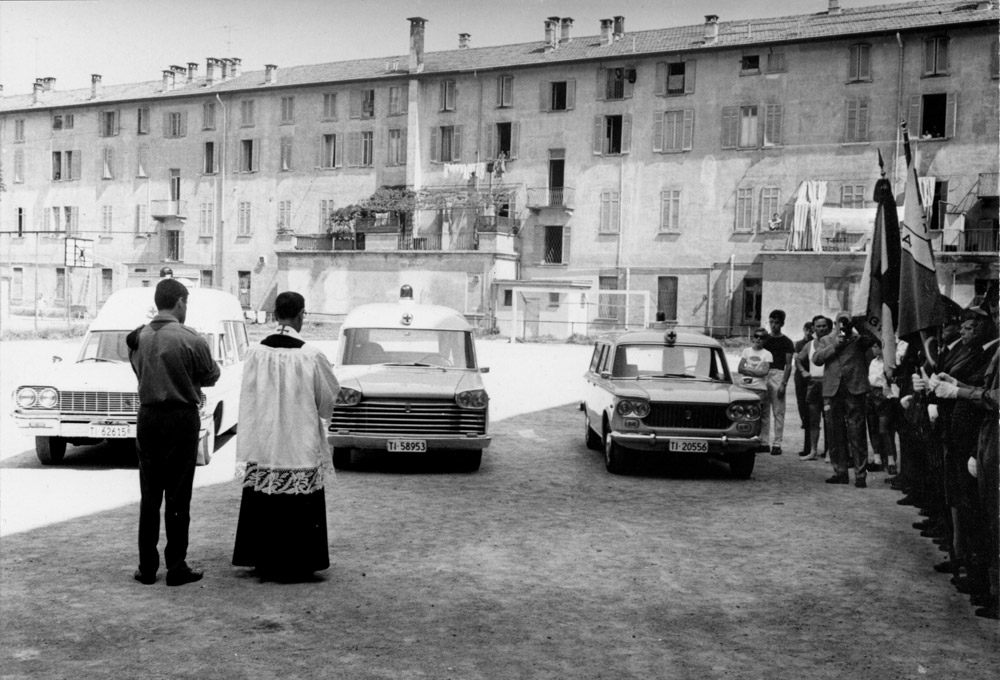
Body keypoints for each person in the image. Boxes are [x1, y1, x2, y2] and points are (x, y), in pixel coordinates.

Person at [232, 291, 340, 582]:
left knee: (265, 494)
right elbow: (329, 397)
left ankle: (262, 560)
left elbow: (249, 396)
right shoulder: (311, 355)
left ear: (276, 314)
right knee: (298, 500)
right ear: (301, 314)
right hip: (298, 439)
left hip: (265, 438)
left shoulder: (256, 352)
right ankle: (299, 564)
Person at [126, 278, 221, 586]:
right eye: (186, 302)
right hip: (181, 418)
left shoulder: (138, 337)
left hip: (149, 417)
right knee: (179, 496)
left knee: (149, 496)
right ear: (180, 302)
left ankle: (147, 567)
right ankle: (176, 567)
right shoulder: (190, 338)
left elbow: (138, 370)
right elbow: (212, 375)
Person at [813, 312, 874, 487]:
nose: (844, 325)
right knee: (834, 432)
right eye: (842, 322)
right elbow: (816, 359)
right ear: (836, 323)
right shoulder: (826, 340)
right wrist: (835, 346)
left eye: (847, 322)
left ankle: (860, 475)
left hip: (854, 389)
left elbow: (872, 340)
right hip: (833, 390)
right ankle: (840, 472)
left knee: (857, 432)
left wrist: (859, 326)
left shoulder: (858, 339)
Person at [797, 315, 832, 462]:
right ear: (813, 328)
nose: (822, 328)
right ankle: (812, 451)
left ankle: (830, 452)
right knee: (813, 420)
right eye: (818, 326)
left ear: (828, 328)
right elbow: (797, 358)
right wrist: (803, 371)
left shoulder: (832, 343)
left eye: (824, 326)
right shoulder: (810, 345)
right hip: (814, 384)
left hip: (829, 384)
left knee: (830, 419)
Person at [762, 310, 795, 456]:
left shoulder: (786, 342)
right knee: (763, 410)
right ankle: (764, 441)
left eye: (776, 322)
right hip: (764, 374)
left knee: (778, 411)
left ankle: (777, 443)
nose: (773, 325)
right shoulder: (764, 339)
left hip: (778, 374)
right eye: (771, 322)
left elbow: (788, 364)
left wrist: (784, 383)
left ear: (782, 324)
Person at [738, 329, 772, 451]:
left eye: (761, 337)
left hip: (759, 388)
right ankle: (743, 438)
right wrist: (756, 372)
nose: (758, 339)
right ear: (753, 338)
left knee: (756, 415)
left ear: (765, 340)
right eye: (756, 336)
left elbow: (764, 372)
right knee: (742, 414)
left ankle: (757, 439)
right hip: (744, 386)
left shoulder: (767, 354)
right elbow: (740, 368)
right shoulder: (746, 351)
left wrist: (749, 372)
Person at [793, 321, 814, 457]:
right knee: (803, 408)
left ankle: (812, 447)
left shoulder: (815, 344)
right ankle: (808, 447)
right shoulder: (798, 344)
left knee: (813, 412)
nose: (809, 333)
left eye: (811, 330)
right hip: (801, 378)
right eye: (807, 330)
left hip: (811, 377)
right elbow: (796, 359)